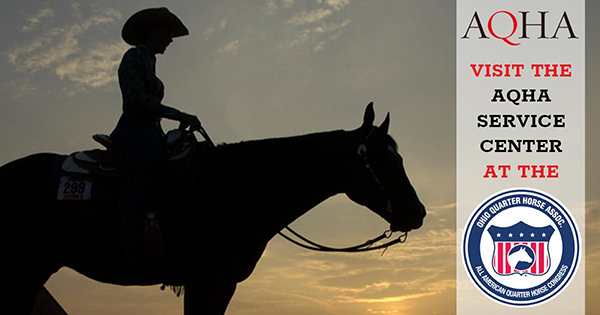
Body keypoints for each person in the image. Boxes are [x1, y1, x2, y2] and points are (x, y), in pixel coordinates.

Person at [111, 7, 200, 259]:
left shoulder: (149, 61)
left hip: (149, 129)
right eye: (167, 32)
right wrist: (178, 114)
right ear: (150, 31)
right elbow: (136, 101)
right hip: (134, 129)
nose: (170, 39)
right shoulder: (134, 57)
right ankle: (130, 237)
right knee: (152, 165)